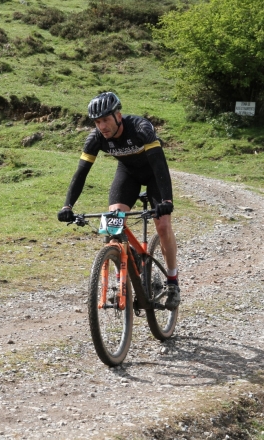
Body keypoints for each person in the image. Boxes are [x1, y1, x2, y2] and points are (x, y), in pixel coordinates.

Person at [57, 92, 180, 310]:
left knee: (162, 226)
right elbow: (81, 173)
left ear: (118, 116)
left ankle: (172, 282)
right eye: (97, 122)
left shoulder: (141, 128)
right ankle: (121, 278)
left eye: (105, 119)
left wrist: (167, 200)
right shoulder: (96, 138)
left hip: (153, 173)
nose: (102, 126)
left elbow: (160, 165)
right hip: (128, 174)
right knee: (112, 225)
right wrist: (68, 205)